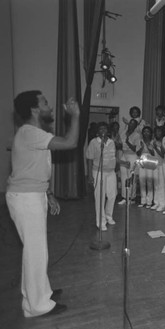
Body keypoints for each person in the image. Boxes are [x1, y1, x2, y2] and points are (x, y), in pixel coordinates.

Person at [6, 91, 80, 317]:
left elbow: (34, 167)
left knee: (36, 250)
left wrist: (48, 193)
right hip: (26, 198)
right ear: (34, 109)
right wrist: (75, 116)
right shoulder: (30, 133)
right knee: (36, 252)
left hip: (31, 195)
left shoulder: (33, 133)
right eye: (44, 102)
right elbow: (70, 142)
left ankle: (38, 294)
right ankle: (36, 306)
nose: (49, 106)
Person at [86, 122, 117, 231]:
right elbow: (89, 159)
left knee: (112, 195)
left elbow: (113, 157)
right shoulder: (94, 142)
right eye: (100, 129)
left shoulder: (111, 142)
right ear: (97, 131)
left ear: (108, 131)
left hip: (111, 172)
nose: (103, 131)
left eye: (105, 129)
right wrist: (90, 175)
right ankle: (100, 221)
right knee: (100, 197)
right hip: (98, 172)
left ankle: (109, 216)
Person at [118, 119, 141, 205]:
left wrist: (128, 142)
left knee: (131, 178)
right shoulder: (123, 133)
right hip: (124, 155)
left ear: (135, 126)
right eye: (130, 123)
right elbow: (120, 145)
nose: (131, 125)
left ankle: (132, 198)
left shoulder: (137, 135)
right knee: (123, 177)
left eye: (133, 124)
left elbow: (136, 149)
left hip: (132, 156)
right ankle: (124, 197)